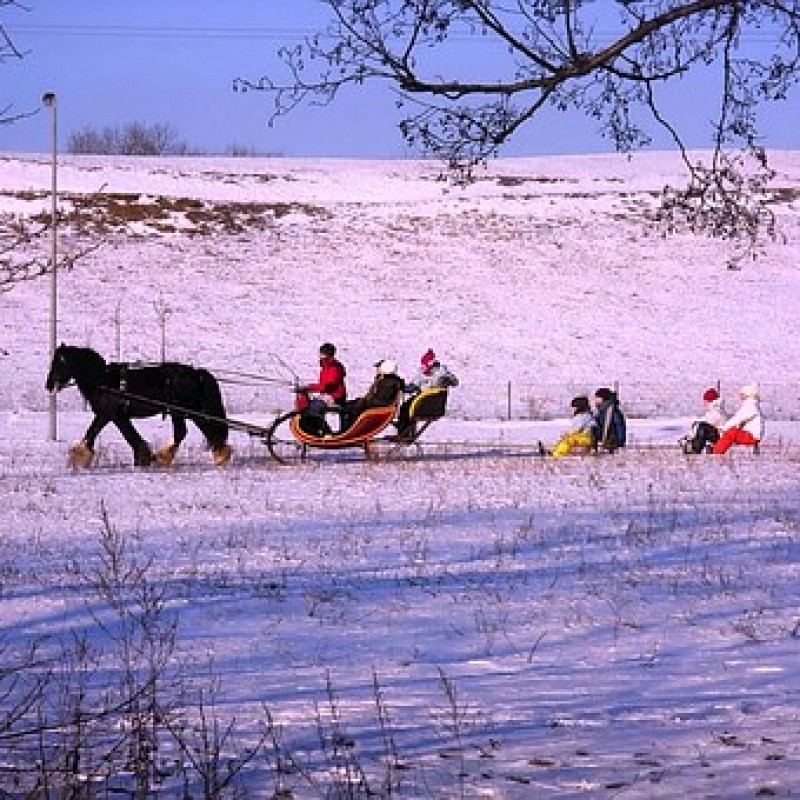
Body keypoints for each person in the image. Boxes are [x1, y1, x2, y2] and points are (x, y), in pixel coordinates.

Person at [394, 349, 459, 440]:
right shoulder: (422, 373)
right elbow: (415, 384)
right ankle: (403, 430)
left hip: (430, 401)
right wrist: (404, 388)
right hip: (422, 398)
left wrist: (447, 381)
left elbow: (454, 381)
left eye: (425, 365)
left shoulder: (441, 372)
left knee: (407, 409)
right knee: (404, 407)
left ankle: (404, 433)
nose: (423, 367)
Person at [297, 342, 347, 436]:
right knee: (307, 406)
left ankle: (326, 431)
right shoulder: (326, 366)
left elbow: (329, 386)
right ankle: (314, 429)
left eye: (321, 353)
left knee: (313, 408)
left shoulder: (334, 368)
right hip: (328, 395)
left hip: (335, 397)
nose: (319, 356)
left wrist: (309, 388)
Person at [341, 358, 405, 430]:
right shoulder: (383, 380)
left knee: (349, 409)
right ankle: (345, 430)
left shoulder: (389, 384)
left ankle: (347, 430)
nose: (377, 370)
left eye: (379, 368)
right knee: (346, 406)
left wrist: (364, 402)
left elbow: (382, 400)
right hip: (371, 403)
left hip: (377, 407)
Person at [712, 383, 764, 455]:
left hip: (752, 436)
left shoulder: (750, 406)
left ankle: (716, 452)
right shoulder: (751, 404)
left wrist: (724, 427)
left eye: (742, 393)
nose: (740, 395)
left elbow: (737, 419)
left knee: (732, 432)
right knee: (730, 431)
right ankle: (716, 449)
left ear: (747, 394)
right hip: (750, 434)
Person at [682, 386, 727, 454]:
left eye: (705, 401)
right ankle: (693, 445)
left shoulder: (716, 410)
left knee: (702, 428)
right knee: (699, 426)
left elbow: (710, 422)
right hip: (716, 433)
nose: (703, 403)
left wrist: (692, 433)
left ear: (709, 401)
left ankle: (695, 448)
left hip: (720, 434)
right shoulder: (714, 408)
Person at [592, 387, 627, 452]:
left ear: (602, 398)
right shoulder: (601, 410)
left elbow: (619, 426)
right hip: (606, 439)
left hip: (612, 441)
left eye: (597, 397)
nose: (595, 399)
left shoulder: (612, 411)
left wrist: (620, 442)